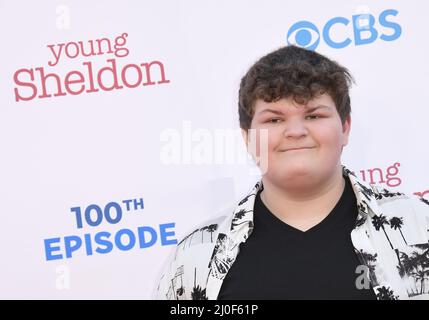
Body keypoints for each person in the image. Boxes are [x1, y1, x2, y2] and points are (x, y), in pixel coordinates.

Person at [153, 45, 429, 300]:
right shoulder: (195, 257)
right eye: (274, 119)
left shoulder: (420, 226)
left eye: (314, 116)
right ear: (248, 138)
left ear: (345, 127)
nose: (296, 132)